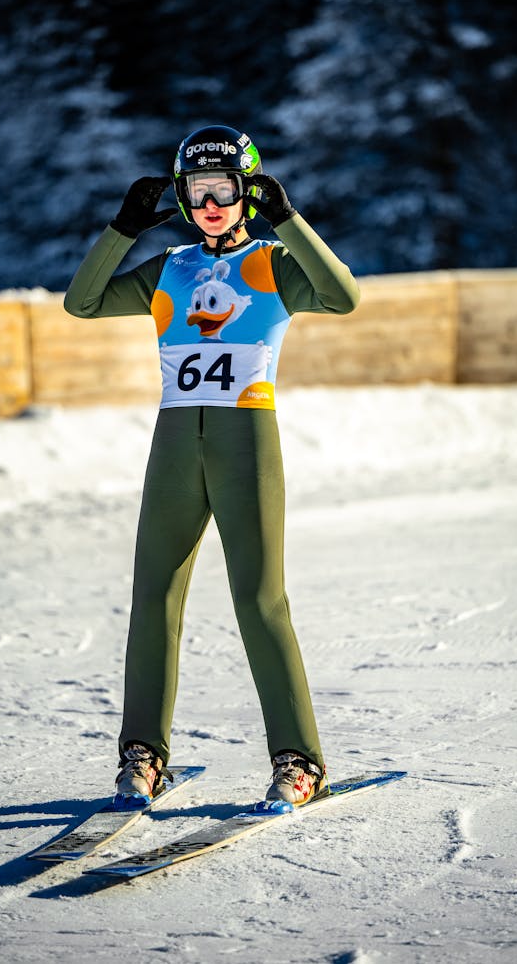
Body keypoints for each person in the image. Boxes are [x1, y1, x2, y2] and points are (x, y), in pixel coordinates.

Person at [64, 124, 360, 809]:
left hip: (246, 442)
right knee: (153, 596)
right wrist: (122, 229)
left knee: (259, 599)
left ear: (247, 192)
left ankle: (299, 760)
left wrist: (288, 220)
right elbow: (83, 303)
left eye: (224, 190)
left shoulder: (273, 264)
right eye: (197, 192)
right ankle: (142, 756)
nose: (210, 205)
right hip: (174, 445)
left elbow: (343, 296)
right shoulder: (169, 268)